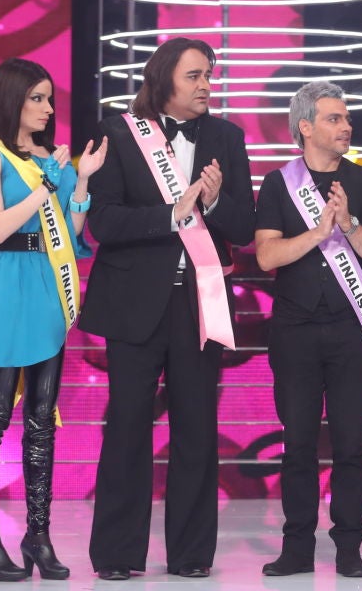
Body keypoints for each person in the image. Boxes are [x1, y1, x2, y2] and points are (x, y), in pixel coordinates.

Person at [81, 37, 256, 580]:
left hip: (199, 303)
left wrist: (215, 202)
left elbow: (244, 228)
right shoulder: (116, 133)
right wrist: (172, 214)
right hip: (133, 303)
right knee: (127, 426)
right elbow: (102, 221)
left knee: (197, 429)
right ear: (164, 80)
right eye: (194, 76)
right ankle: (117, 555)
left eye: (209, 75)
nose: (206, 85)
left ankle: (191, 554)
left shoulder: (227, 137)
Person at [0, 58, 104, 582]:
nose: (47, 108)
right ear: (12, 99)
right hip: (6, 282)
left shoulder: (52, 160)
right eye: (36, 98)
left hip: (48, 282)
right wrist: (46, 185)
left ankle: (38, 537)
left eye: (49, 99)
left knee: (42, 420)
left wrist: (80, 182)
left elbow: (71, 232)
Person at [255, 80, 362, 579]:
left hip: (352, 331)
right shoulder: (278, 184)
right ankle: (296, 547)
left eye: (347, 118)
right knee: (297, 443)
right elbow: (266, 255)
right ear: (306, 127)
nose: (347, 126)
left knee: (350, 445)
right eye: (335, 118)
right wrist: (318, 233)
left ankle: (349, 547)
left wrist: (348, 225)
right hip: (294, 330)